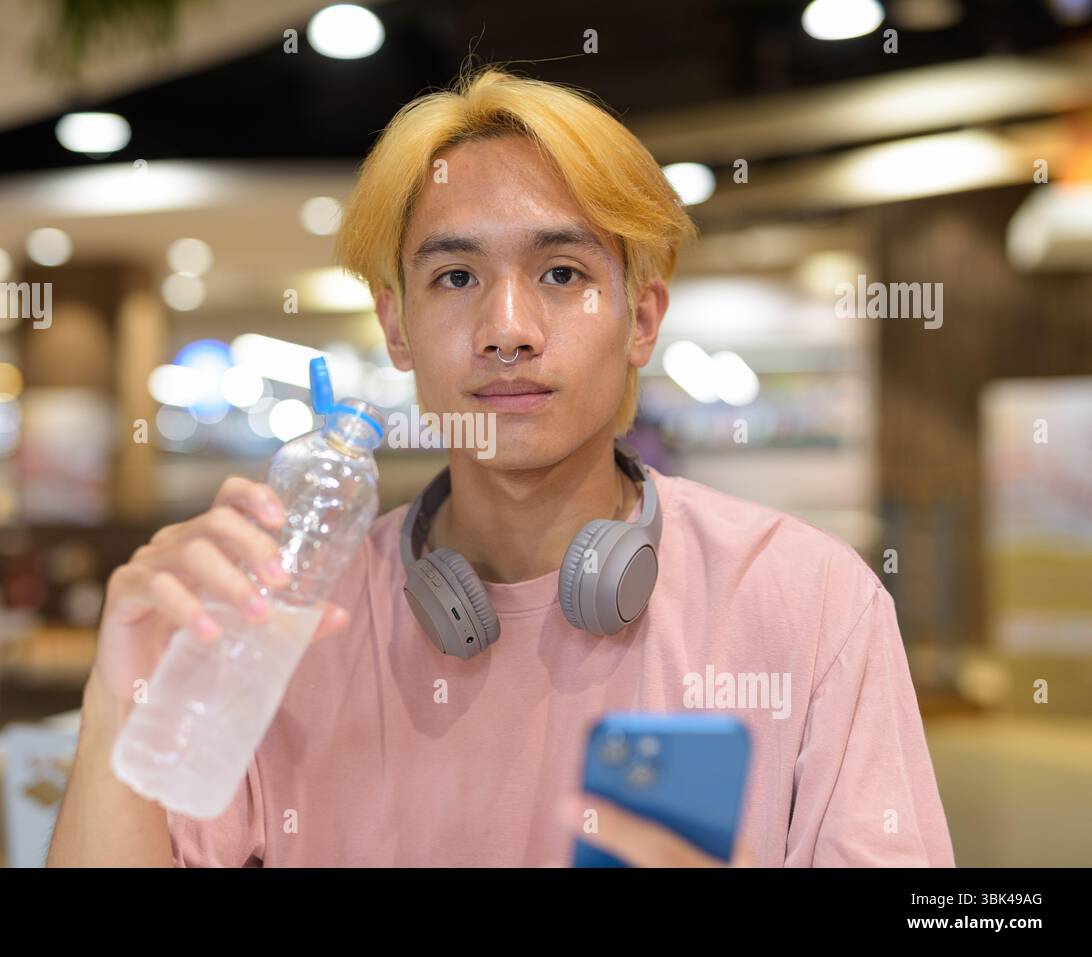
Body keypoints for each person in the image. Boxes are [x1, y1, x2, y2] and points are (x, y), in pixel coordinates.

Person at [47, 66, 954, 867]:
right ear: (397, 327)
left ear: (641, 319)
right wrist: (116, 691)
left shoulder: (807, 603)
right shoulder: (285, 621)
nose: (508, 328)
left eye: (562, 272)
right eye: (455, 278)